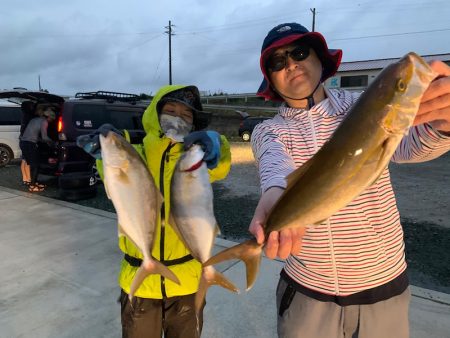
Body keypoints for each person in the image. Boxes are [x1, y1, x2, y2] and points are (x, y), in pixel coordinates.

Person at [249, 22, 450, 338]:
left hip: (384, 286)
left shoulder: (361, 104)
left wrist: (443, 125)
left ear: (319, 58)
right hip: (306, 291)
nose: (290, 64)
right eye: (277, 62)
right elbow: (274, 165)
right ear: (271, 80)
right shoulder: (270, 131)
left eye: (299, 52)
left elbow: (412, 145)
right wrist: (275, 193)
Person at [77, 85, 231, 338]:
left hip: (187, 281)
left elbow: (221, 164)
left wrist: (216, 144)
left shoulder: (195, 157)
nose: (177, 118)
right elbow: (115, 176)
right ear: (154, 113)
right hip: (139, 281)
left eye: (186, 115)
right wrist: (103, 152)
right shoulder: (135, 153)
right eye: (170, 110)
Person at [19, 106, 56, 192]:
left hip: (23, 143)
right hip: (30, 144)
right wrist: (53, 143)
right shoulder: (44, 122)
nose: (51, 121)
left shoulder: (34, 119)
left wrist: (42, 140)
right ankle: (32, 186)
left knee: (30, 163)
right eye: (52, 119)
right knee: (35, 165)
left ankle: (33, 183)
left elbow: (33, 135)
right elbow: (45, 137)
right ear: (49, 117)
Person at [19, 101, 36, 185]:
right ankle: (29, 179)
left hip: (22, 140)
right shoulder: (29, 116)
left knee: (24, 160)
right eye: (31, 106)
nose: (32, 107)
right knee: (28, 161)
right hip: (27, 141)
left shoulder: (24, 115)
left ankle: (25, 179)